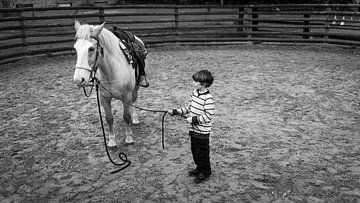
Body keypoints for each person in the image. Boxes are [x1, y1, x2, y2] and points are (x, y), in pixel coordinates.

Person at [168, 70, 215, 183]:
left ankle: (205, 172)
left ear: (203, 84)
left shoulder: (208, 98)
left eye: (195, 81)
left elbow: (208, 116)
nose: (193, 83)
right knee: (195, 151)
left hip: (202, 132)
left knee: (202, 153)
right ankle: (199, 168)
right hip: (193, 130)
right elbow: (189, 107)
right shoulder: (194, 93)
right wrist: (176, 111)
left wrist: (193, 120)